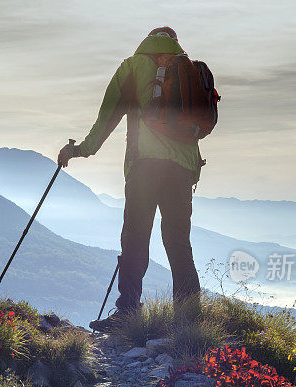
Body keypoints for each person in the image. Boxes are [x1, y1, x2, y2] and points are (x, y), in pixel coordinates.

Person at [59, 26, 204, 332]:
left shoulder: (132, 68)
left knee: (136, 237)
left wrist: (79, 150)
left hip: (144, 166)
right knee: (178, 241)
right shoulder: (187, 72)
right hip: (182, 169)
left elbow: (107, 118)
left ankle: (127, 313)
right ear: (173, 44)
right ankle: (189, 318)